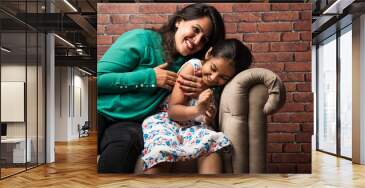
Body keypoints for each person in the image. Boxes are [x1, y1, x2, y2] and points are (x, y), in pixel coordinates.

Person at [97, 3, 225, 173]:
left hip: (130, 123)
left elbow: (218, 76)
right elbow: (98, 80)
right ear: (179, 22)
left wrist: (203, 89)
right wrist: (150, 78)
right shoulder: (141, 39)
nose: (196, 41)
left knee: (124, 144)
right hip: (100, 112)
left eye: (204, 39)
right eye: (195, 29)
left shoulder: (193, 66)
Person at [141, 39, 253, 174]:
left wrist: (208, 117)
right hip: (168, 122)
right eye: (213, 68)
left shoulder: (220, 88)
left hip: (195, 126)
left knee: (211, 145)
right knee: (162, 150)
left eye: (223, 77)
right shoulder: (193, 68)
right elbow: (173, 111)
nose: (213, 78)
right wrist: (198, 109)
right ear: (208, 54)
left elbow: (206, 119)